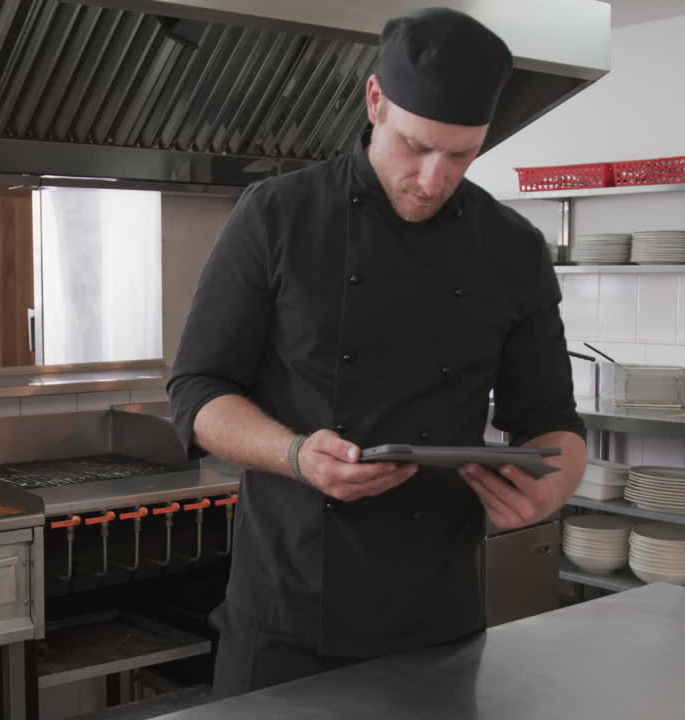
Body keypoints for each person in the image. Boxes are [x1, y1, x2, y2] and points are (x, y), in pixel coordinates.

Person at [168, 6, 589, 699]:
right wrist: (295, 454)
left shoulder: (512, 248)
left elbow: (550, 418)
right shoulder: (276, 215)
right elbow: (197, 392)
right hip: (289, 615)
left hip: (439, 616)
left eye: (460, 155)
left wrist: (553, 487)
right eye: (415, 146)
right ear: (374, 102)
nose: (432, 178)